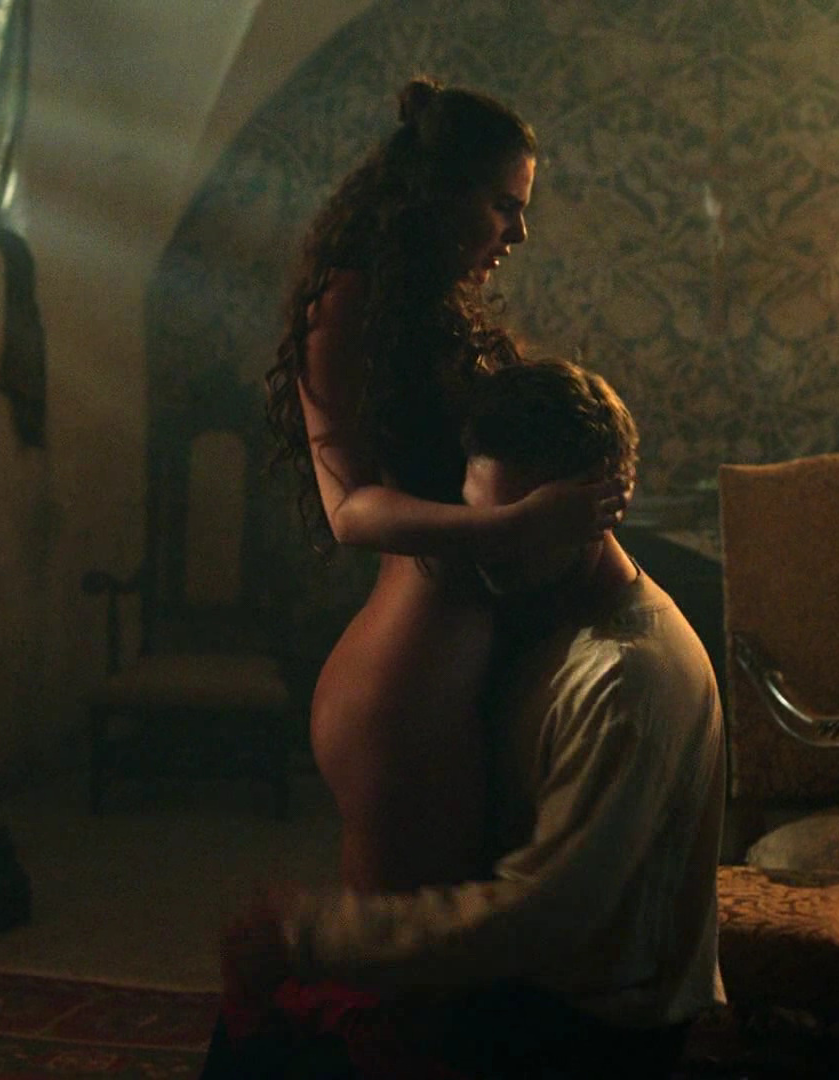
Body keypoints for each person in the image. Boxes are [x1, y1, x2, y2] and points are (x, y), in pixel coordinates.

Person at [212, 359, 727, 1079]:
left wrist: (319, 936)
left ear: (591, 506)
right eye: (484, 522)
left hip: (595, 1026)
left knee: (280, 1042)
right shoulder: (540, 613)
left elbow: (543, 919)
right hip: (538, 987)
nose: (491, 551)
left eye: (519, 526)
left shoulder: (624, 675)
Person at [263, 77, 630, 894]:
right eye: (504, 206)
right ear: (437, 194)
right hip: (404, 683)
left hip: (454, 668)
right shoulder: (347, 302)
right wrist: (520, 524)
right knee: (403, 945)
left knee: (450, 936)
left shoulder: (433, 308)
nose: (520, 232)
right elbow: (350, 509)